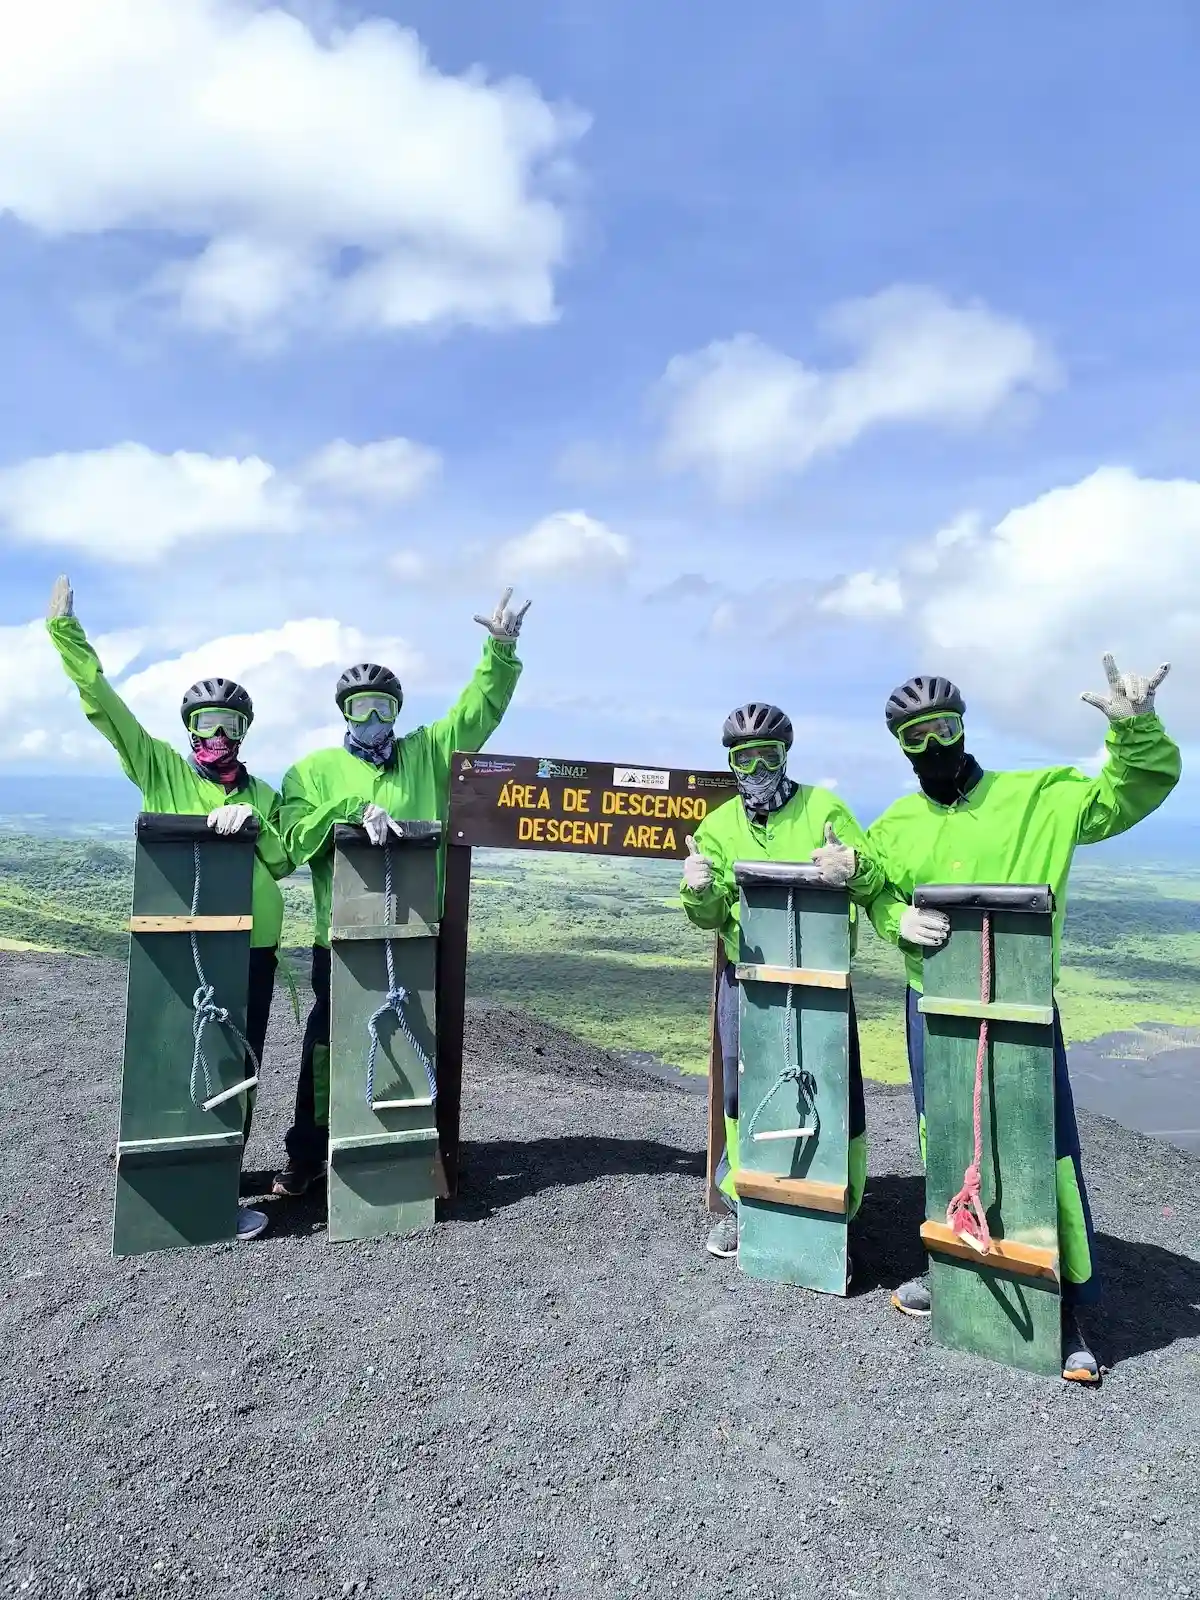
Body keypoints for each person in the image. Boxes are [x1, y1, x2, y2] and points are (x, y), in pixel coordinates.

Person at [865, 656, 1179, 1383]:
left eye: (942, 727)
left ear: (964, 725)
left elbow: (1124, 794)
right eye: (916, 736)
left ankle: (1062, 1303)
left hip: (1022, 1006)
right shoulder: (895, 824)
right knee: (944, 1137)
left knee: (1042, 1149)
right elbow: (870, 885)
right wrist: (891, 918)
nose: (933, 744)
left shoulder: (1038, 796)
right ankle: (950, 1267)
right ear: (901, 747)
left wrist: (1136, 733)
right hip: (933, 1008)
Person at [46, 575, 293, 1240]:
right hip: (185, 940)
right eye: (206, 724)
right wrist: (67, 635)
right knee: (174, 1053)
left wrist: (257, 827)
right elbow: (106, 709)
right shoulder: (160, 769)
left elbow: (285, 861)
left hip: (255, 950)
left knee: (236, 1064)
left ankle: (218, 1181)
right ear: (188, 729)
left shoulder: (264, 792)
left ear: (244, 731)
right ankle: (172, 1179)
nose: (219, 735)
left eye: (231, 724)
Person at [271, 588, 531, 1197]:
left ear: (396, 713)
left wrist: (501, 650)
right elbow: (296, 841)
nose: (373, 722)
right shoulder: (309, 773)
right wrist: (348, 809)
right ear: (344, 713)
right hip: (339, 937)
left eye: (383, 709)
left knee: (415, 1037)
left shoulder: (427, 753)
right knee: (326, 1047)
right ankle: (307, 1154)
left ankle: (415, 1152)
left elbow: (477, 712)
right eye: (361, 708)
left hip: (419, 930)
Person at [679, 701, 887, 1263]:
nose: (756, 768)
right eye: (744, 758)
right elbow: (711, 912)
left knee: (833, 1089)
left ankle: (836, 1209)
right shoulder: (718, 825)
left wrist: (855, 868)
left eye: (767, 755)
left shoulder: (825, 808)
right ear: (731, 762)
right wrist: (697, 892)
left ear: (786, 754)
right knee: (740, 1091)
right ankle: (746, 1202)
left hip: (820, 979)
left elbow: (870, 881)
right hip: (744, 977)